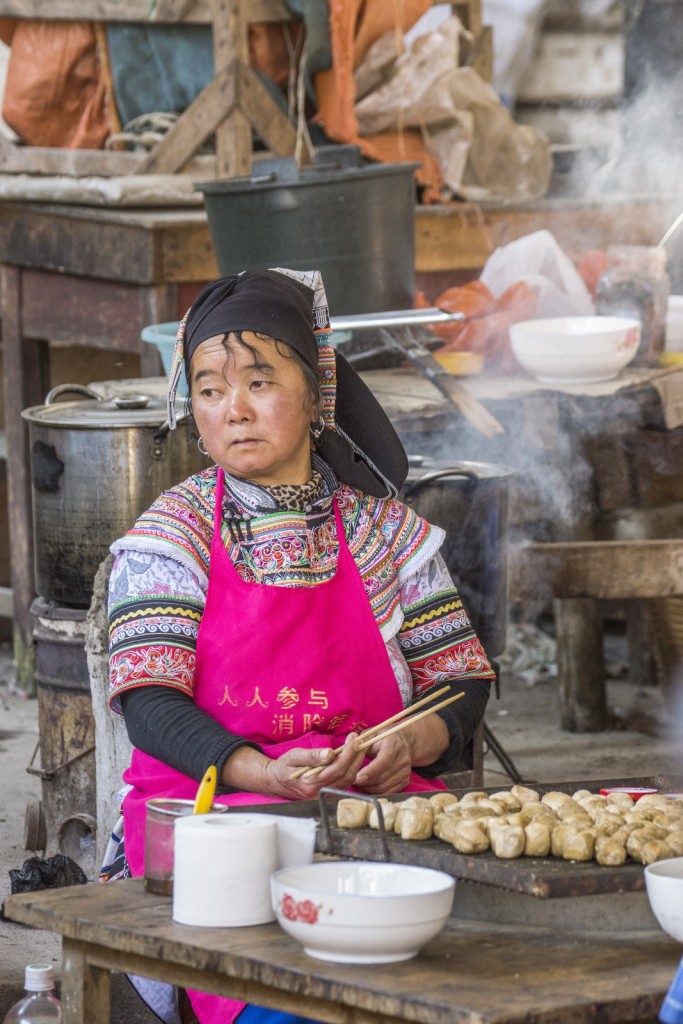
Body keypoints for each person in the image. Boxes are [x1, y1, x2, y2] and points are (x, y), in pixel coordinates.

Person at [104, 267, 495, 1024]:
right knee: (294, 995)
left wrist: (409, 743)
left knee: (456, 971)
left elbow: (459, 682)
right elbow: (149, 703)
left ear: (315, 393)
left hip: (368, 808)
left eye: (258, 381)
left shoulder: (388, 534)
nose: (234, 410)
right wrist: (265, 772)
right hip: (214, 816)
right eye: (211, 390)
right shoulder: (171, 534)